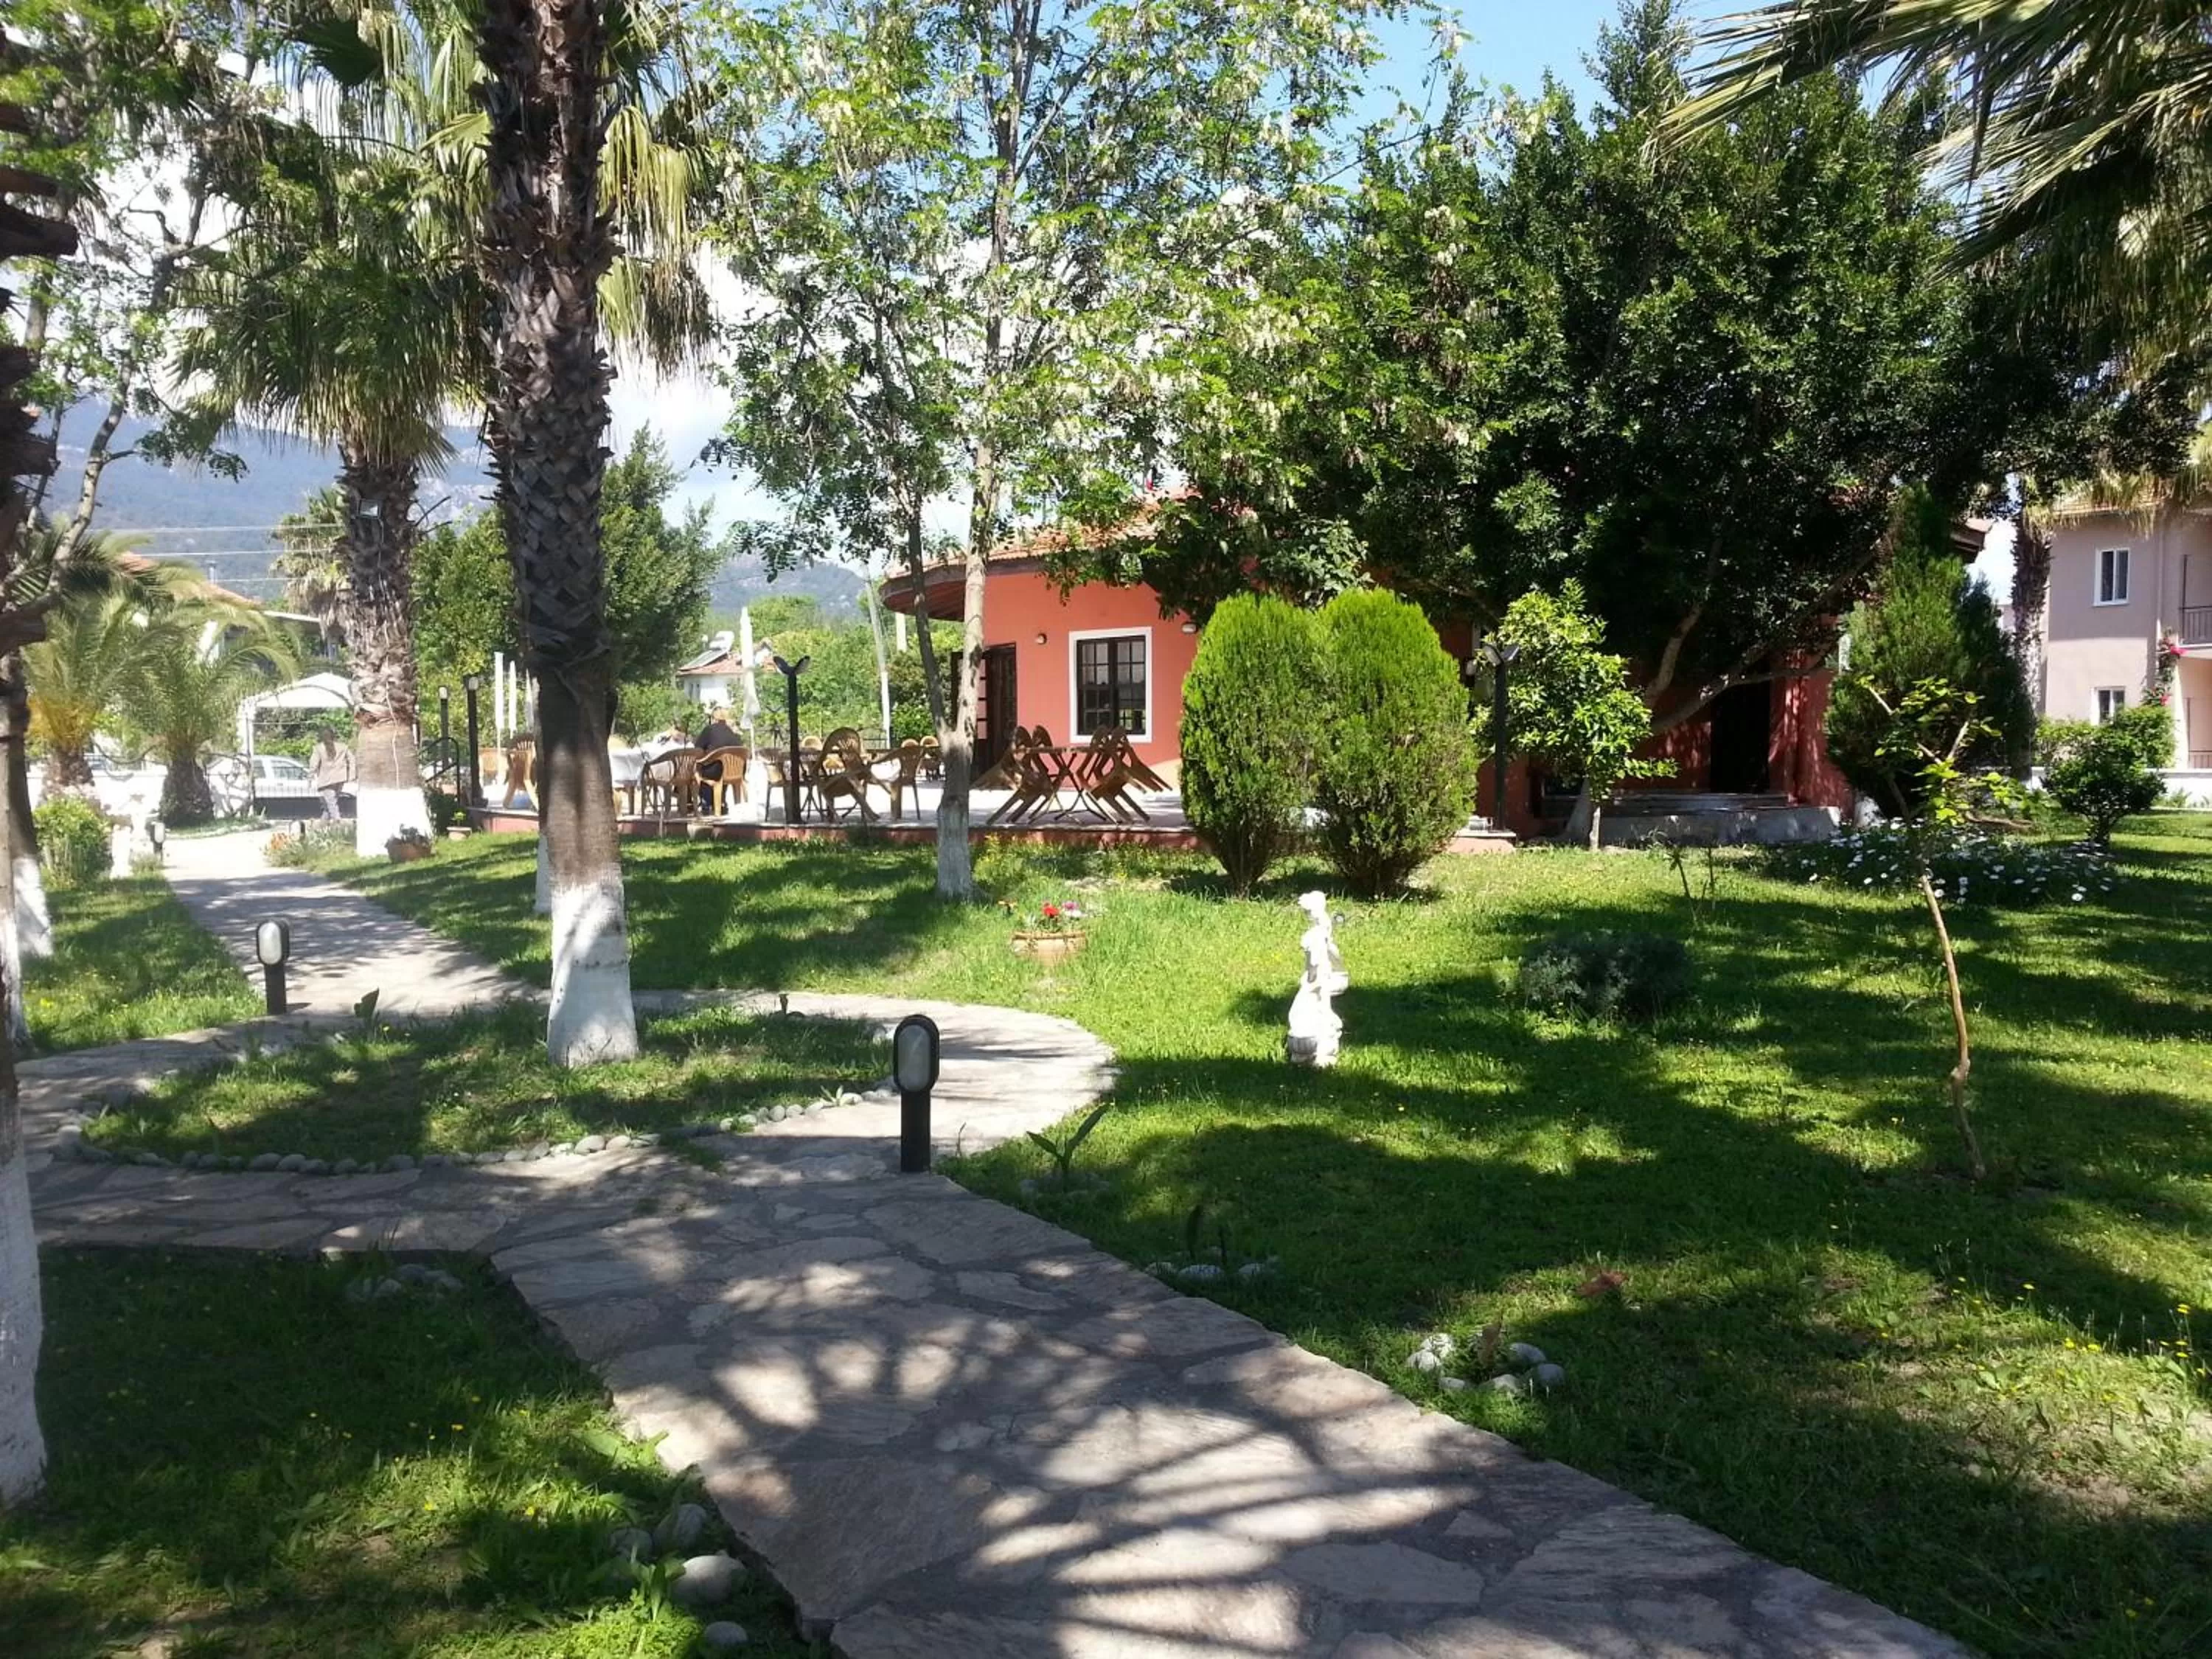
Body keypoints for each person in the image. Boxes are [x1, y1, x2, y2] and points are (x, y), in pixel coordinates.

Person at [694, 704, 742, 812]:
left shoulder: (709, 730)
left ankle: (706, 802)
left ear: (713, 718)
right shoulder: (732, 733)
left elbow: (697, 748)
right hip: (735, 772)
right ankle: (721, 802)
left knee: (698, 768)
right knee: (717, 767)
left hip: (716, 771)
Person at [308, 725, 354, 819]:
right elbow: (352, 759)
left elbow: (314, 764)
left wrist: (310, 776)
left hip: (326, 780)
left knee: (331, 804)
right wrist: (351, 775)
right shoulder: (343, 747)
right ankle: (322, 827)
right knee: (328, 806)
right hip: (340, 779)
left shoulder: (318, 748)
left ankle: (338, 824)